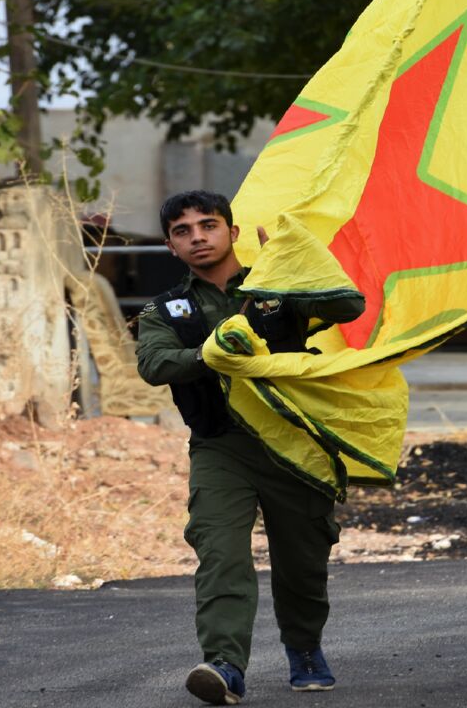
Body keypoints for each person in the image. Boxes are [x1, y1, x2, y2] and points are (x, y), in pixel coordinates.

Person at [136, 190, 365, 706]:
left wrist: (294, 262)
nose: (197, 236)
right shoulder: (166, 309)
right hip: (222, 448)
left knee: (303, 561)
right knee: (219, 553)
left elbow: (349, 305)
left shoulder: (276, 285)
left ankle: (305, 650)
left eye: (208, 225)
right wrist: (211, 353)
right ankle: (225, 665)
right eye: (182, 230)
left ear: (232, 232)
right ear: (171, 245)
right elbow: (155, 365)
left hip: (293, 445)